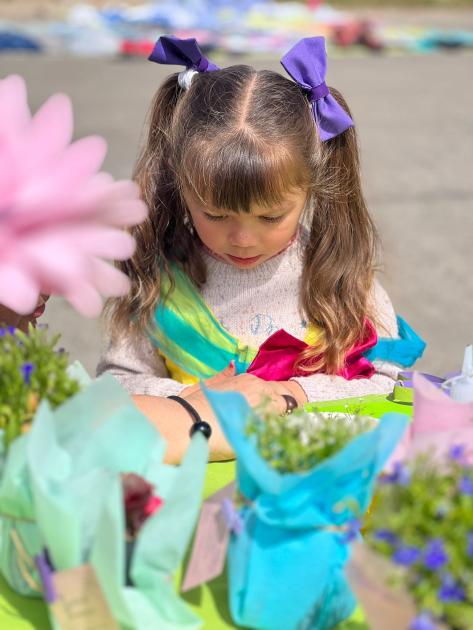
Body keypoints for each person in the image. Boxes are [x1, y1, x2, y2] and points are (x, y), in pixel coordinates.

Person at [98, 36, 424, 463]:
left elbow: (390, 380)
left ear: (311, 189)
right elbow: (116, 383)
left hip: (313, 488)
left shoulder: (336, 275)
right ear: (181, 186)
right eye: (215, 215)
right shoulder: (163, 282)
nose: (243, 238)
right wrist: (196, 400)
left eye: (270, 218)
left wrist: (295, 392)